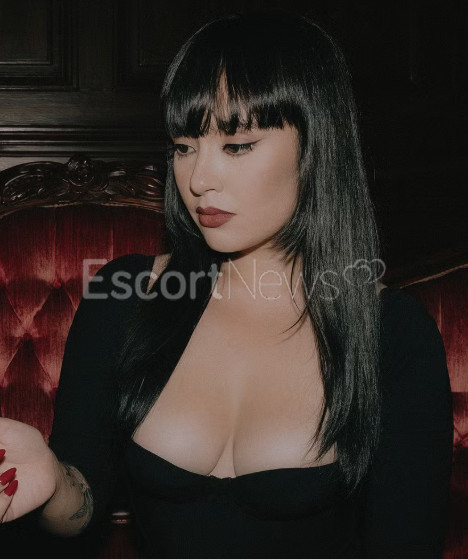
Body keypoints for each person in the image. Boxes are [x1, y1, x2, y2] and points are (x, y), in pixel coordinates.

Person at [0, 9, 453, 558]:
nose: (198, 179)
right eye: (184, 146)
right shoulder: (124, 294)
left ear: (317, 149)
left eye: (236, 146)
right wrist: (51, 480)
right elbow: (83, 509)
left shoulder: (393, 335)